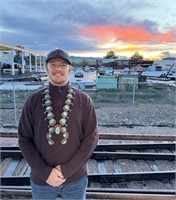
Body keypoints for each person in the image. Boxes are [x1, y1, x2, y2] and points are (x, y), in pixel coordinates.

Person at [18, 48, 99, 200]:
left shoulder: (84, 100)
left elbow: (91, 138)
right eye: (53, 64)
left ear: (70, 69)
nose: (58, 69)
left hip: (75, 180)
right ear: (46, 68)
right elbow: (24, 139)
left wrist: (66, 171)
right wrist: (45, 173)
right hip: (42, 181)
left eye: (63, 65)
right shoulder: (33, 100)